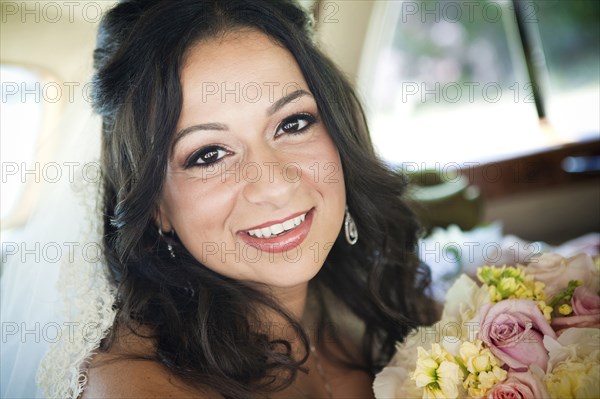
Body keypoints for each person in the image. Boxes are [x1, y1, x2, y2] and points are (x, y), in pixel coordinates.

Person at [39, 0, 436, 397]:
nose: (274, 185)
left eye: (293, 124)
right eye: (208, 154)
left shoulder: (385, 305)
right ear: (155, 205)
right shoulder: (135, 387)